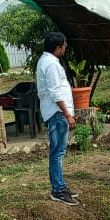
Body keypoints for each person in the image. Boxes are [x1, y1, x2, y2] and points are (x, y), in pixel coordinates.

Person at [36, 32, 79, 206]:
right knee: (57, 153)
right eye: (64, 45)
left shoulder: (48, 61)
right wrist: (67, 114)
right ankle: (58, 190)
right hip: (57, 113)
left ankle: (60, 186)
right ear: (58, 47)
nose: (66, 47)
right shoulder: (50, 64)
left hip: (57, 113)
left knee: (58, 152)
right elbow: (55, 92)